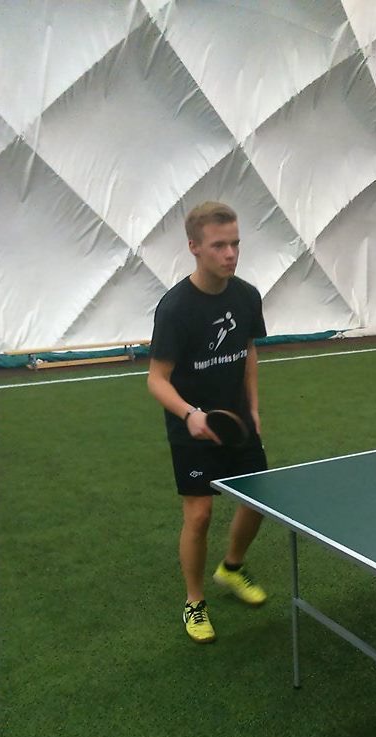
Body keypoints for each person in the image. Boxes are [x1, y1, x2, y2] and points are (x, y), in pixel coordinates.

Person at [148, 201, 268, 644]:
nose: (230, 254)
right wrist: (190, 414)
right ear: (194, 247)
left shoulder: (247, 295)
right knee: (199, 515)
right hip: (192, 427)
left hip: (237, 422)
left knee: (258, 501)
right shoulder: (175, 308)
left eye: (235, 243)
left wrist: (253, 408)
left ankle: (231, 568)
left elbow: (247, 351)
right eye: (219, 245)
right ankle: (194, 602)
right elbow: (156, 379)